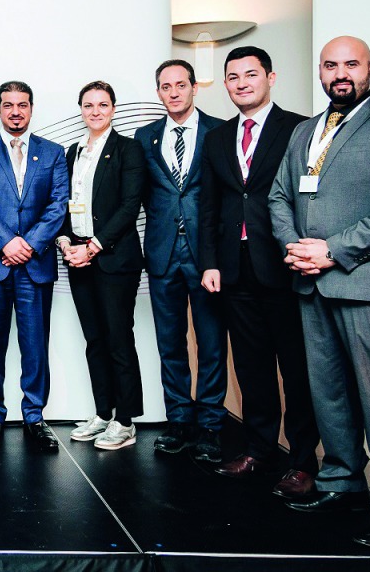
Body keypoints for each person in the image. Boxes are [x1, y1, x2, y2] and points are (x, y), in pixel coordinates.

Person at [270, 35, 370, 549]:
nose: (340, 73)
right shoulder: (304, 130)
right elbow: (279, 195)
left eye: (351, 64)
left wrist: (333, 250)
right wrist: (296, 246)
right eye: (330, 65)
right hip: (312, 285)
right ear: (320, 72)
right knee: (330, 397)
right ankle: (342, 484)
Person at [197, 46, 318, 497]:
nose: (241, 82)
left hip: (285, 266)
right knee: (250, 367)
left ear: (270, 77)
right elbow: (209, 204)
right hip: (233, 268)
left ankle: (304, 460)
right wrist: (210, 260)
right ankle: (258, 449)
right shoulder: (217, 138)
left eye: (250, 74)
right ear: (225, 84)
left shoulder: (301, 129)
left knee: (297, 369)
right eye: (233, 77)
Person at [136, 60, 226, 461]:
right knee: (169, 344)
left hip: (206, 255)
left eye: (180, 85)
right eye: (165, 86)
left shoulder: (219, 131)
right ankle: (178, 421)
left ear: (194, 88)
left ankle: (210, 424)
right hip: (161, 254)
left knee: (210, 344)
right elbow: (136, 194)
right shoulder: (145, 136)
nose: (173, 92)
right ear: (158, 92)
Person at [0, 81, 68, 451]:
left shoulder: (53, 152)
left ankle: (34, 416)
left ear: (32, 109)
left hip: (35, 264)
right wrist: (5, 241)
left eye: (22, 105)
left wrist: (27, 244)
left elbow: (58, 204)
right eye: (8, 105)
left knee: (34, 346)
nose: (16, 111)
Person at [59, 81, 146, 451]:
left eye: (103, 104)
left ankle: (125, 421)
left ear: (113, 109)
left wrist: (93, 246)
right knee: (95, 340)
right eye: (89, 105)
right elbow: (62, 201)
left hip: (113, 259)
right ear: (80, 108)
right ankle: (103, 412)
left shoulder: (128, 149)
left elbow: (130, 206)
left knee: (118, 339)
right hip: (77, 257)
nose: (95, 111)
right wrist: (64, 241)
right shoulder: (72, 151)